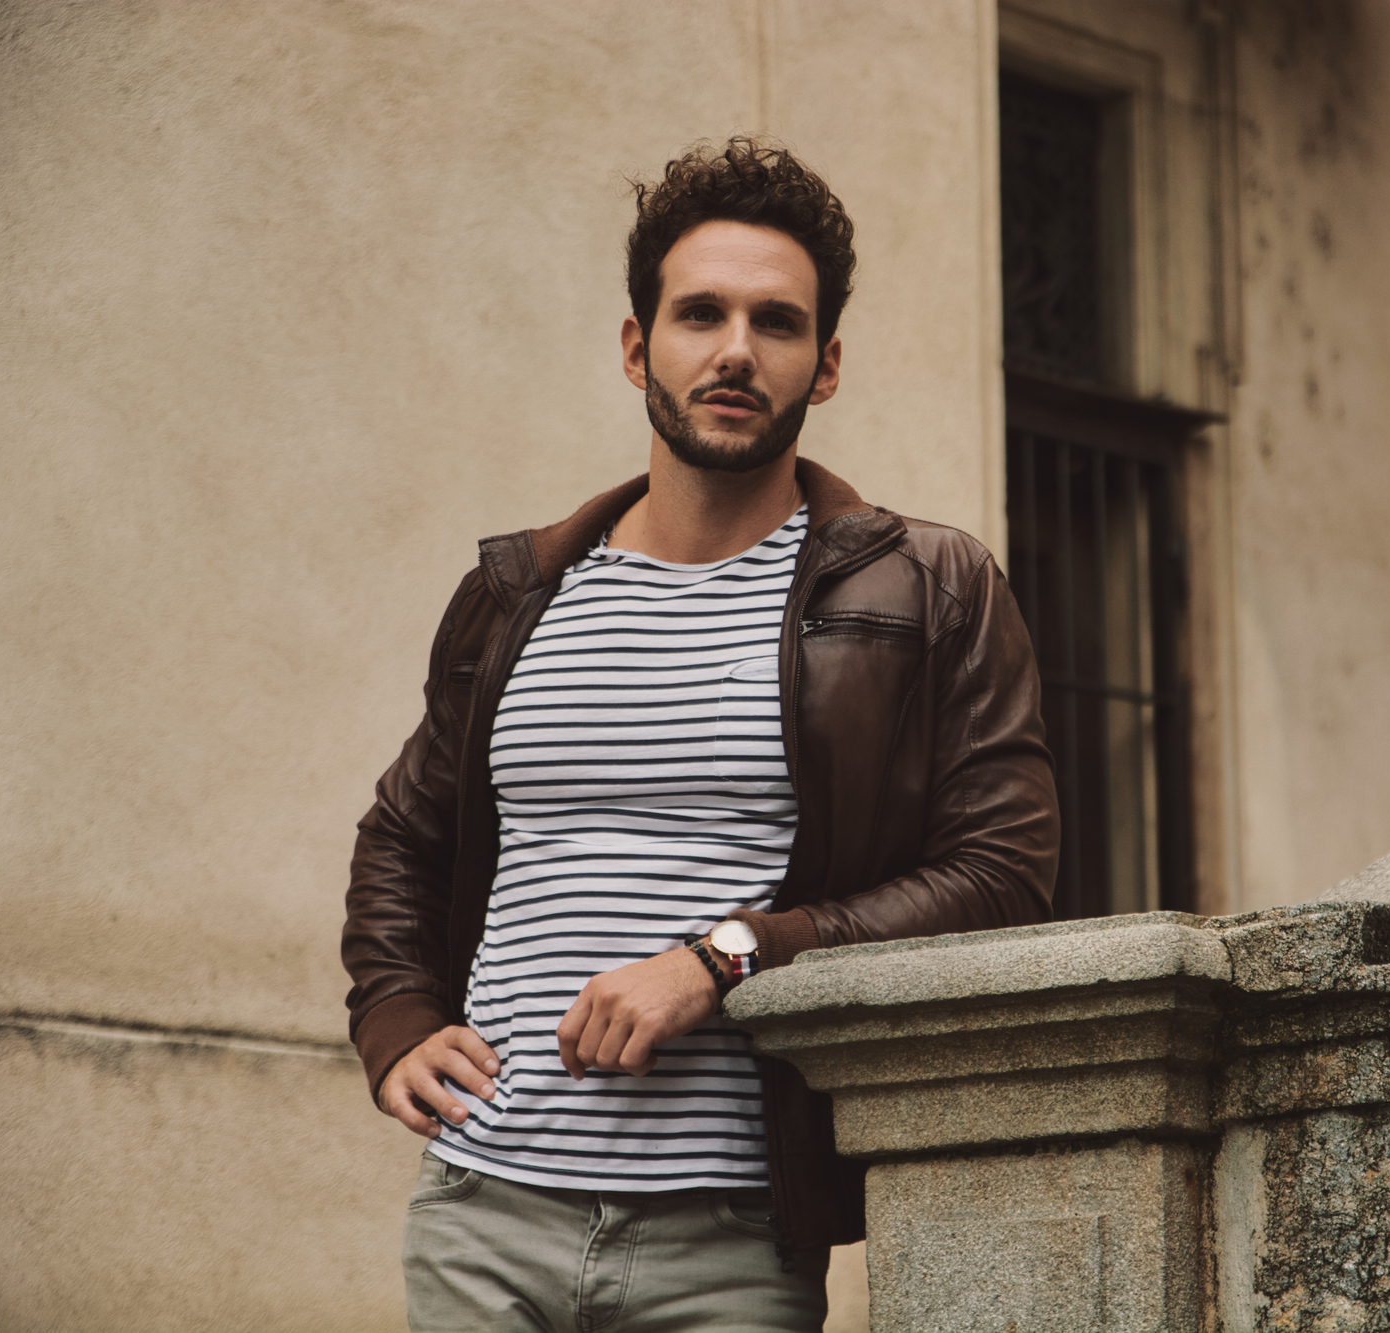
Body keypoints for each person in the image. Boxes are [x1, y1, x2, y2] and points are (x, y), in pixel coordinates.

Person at [342, 137, 1059, 1332]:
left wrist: (723, 957)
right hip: (481, 1209)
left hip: (728, 1235)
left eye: (776, 323)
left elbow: (1000, 874)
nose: (735, 350)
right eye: (700, 314)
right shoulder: (517, 594)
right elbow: (402, 837)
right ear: (639, 346)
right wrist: (394, 1019)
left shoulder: (928, 587)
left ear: (823, 367)